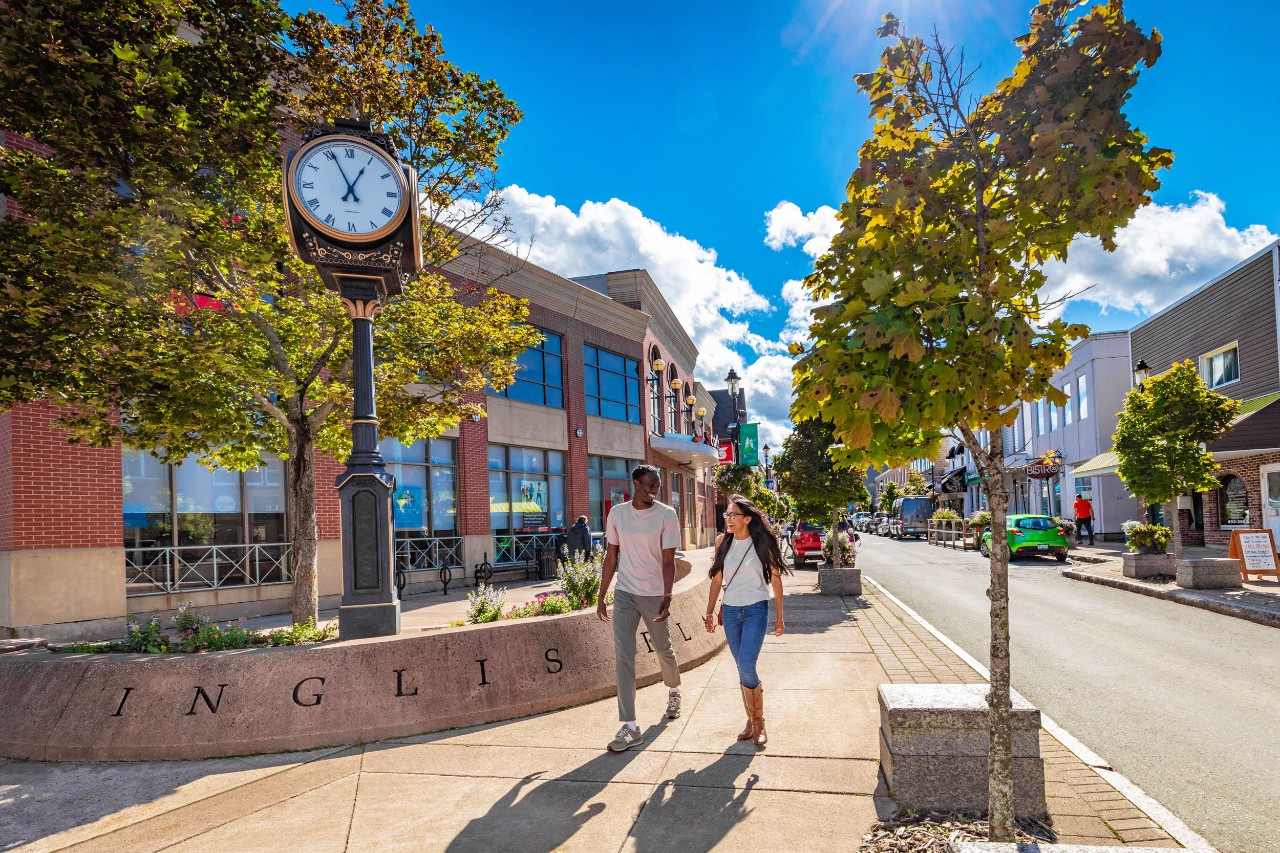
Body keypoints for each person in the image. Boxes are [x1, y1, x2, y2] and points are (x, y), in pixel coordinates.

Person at [598, 464, 682, 752]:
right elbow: (611, 557)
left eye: (657, 484)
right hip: (625, 593)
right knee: (624, 654)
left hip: (654, 593)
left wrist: (668, 595)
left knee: (663, 649)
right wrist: (601, 594)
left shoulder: (666, 514)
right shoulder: (618, 514)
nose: (654, 488)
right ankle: (630, 726)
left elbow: (669, 560)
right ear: (635, 483)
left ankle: (673, 690)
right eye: (649, 483)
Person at [703, 493, 790, 748]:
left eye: (733, 514)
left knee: (747, 664)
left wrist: (780, 617)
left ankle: (759, 722)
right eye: (727, 514)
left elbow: (776, 579)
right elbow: (717, 580)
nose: (728, 518)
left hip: (755, 609)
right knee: (742, 668)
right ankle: (751, 721)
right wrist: (709, 612)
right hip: (730, 611)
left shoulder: (762, 544)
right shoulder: (723, 542)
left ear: (747, 519)